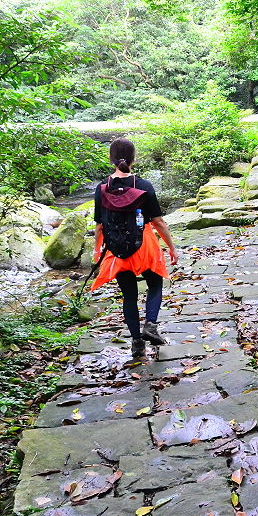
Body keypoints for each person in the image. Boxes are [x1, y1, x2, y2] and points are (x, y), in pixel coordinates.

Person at [90, 138, 178, 359]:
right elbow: (158, 222)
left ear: (111, 160)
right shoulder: (144, 186)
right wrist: (172, 248)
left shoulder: (102, 188)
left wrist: (97, 250)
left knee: (129, 296)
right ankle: (150, 323)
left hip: (117, 250)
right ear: (133, 159)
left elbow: (100, 226)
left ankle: (137, 343)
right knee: (155, 284)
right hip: (145, 246)